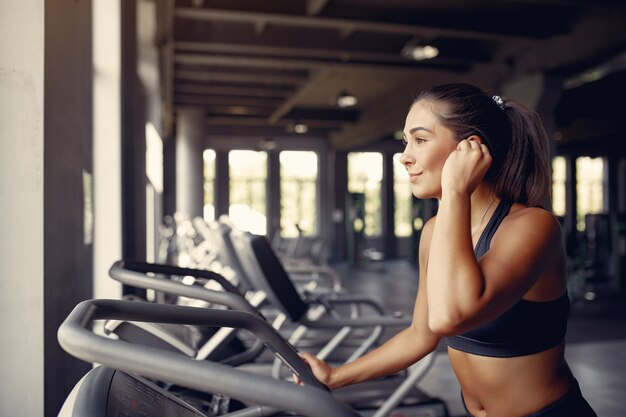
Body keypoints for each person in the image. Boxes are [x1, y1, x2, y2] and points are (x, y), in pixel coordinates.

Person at [298, 83, 597, 417]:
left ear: (470, 148)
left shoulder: (533, 227)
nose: (404, 156)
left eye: (420, 139)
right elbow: (421, 335)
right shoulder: (434, 232)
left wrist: (456, 190)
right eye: (405, 141)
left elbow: (449, 317)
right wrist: (335, 376)